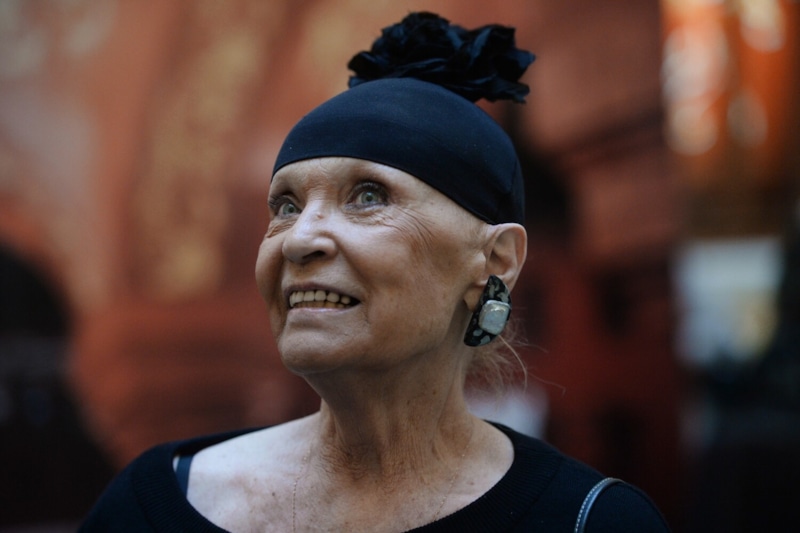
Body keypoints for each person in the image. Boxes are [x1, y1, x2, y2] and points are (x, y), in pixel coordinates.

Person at [80, 12, 669, 532]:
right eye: (285, 206)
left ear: (495, 261)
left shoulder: (588, 522)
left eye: (368, 196)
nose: (300, 239)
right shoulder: (149, 507)